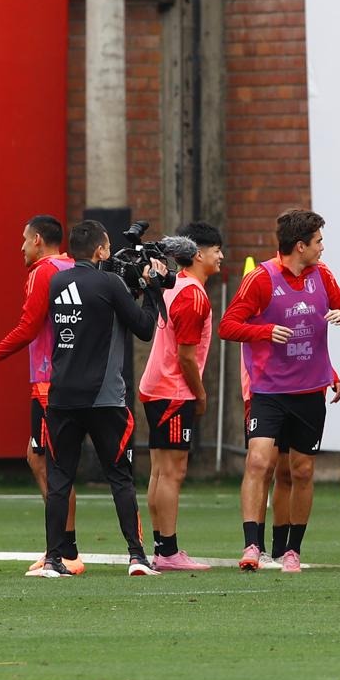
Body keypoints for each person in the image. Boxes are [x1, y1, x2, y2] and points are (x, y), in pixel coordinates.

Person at [220, 209, 340, 573]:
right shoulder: (261, 279)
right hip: (269, 391)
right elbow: (228, 325)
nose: (322, 248)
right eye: (319, 242)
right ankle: (252, 545)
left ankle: (292, 550)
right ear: (300, 246)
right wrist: (264, 332)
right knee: (259, 461)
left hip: (311, 391)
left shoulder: (322, 275)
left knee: (302, 471)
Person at [35, 220, 164, 577]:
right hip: (105, 400)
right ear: (99, 250)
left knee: (60, 479)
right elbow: (143, 328)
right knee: (120, 477)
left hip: (61, 397)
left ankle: (52, 559)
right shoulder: (109, 283)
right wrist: (152, 291)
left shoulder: (57, 281)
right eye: (106, 247)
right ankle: (137, 557)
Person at [0, 215, 81, 575]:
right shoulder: (76, 267)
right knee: (39, 459)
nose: (21, 247)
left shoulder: (42, 273)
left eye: (24, 239)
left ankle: (63, 551)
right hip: (77, 380)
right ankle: (65, 548)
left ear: (38, 240)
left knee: (47, 465)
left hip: (48, 383)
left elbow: (28, 329)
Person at [138, 222, 224, 571]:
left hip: (155, 386)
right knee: (172, 471)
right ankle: (168, 551)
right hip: (173, 390)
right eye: (217, 250)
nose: (221, 256)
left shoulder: (175, 286)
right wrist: (200, 395)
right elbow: (186, 356)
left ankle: (161, 547)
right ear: (199, 254)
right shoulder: (192, 294)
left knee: (160, 470)